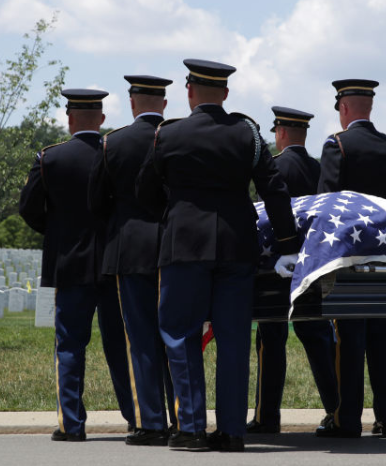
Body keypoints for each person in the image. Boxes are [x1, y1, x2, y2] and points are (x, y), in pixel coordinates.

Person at [136, 59, 301, 452]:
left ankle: (191, 428)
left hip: (183, 246)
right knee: (232, 340)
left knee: (180, 335)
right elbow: (273, 188)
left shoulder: (167, 134)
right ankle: (231, 431)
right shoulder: (248, 133)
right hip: (236, 246)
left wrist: (174, 211)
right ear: (225, 94)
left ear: (189, 92)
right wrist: (287, 243)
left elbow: (144, 192)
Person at [18, 88, 135, 442]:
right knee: (122, 346)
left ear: (69, 119)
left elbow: (28, 208)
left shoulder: (50, 158)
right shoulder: (115, 154)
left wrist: (58, 232)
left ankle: (71, 424)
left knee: (69, 346)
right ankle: (139, 419)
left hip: (70, 266)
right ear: (101, 119)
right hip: (115, 265)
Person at [315, 79, 386, 439]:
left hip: (350, 260)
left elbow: (327, 206)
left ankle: (346, 419)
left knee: (349, 342)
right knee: (384, 343)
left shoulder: (337, 145)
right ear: (369, 107)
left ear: (343, 108)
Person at [89, 75, 176, 446]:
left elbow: (97, 201)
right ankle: (184, 418)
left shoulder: (113, 143)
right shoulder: (179, 138)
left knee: (138, 339)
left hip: (129, 251)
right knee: (177, 338)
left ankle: (149, 422)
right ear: (166, 104)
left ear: (132, 102)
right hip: (175, 248)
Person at [246, 106, 338, 435]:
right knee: (319, 339)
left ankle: (266, 416)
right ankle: (334, 410)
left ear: (280, 133)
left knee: (271, 340)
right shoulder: (318, 167)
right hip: (313, 266)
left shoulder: (273, 166)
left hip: (277, 270)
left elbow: (264, 218)